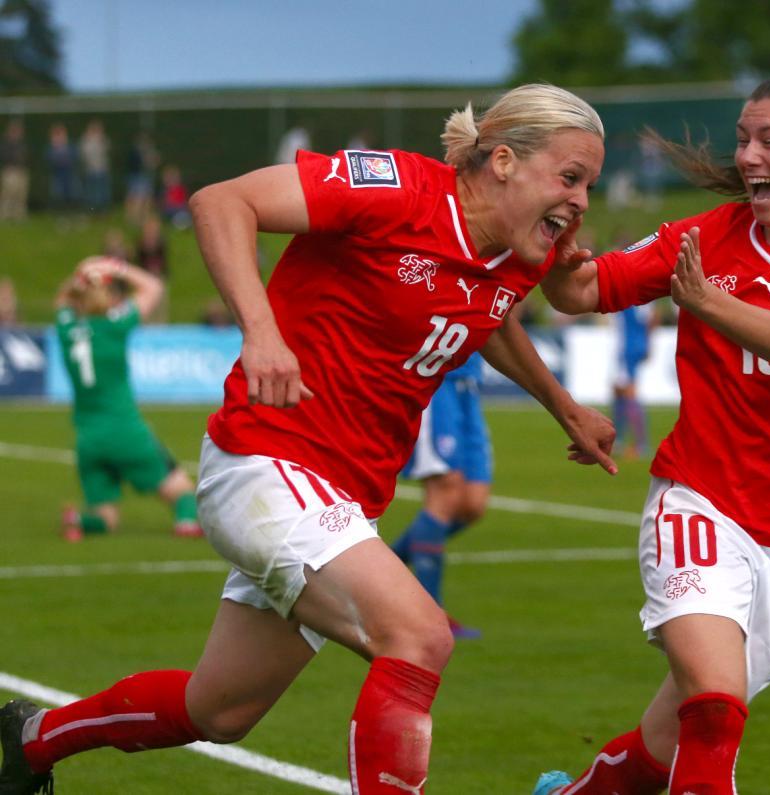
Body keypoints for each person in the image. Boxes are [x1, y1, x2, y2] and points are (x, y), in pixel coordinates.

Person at [0, 83, 613, 795]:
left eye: (590, 185)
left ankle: (33, 739)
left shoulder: (519, 250)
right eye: (571, 178)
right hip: (266, 460)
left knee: (221, 708)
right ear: (503, 160)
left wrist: (564, 405)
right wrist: (261, 332)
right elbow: (221, 202)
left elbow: (490, 311)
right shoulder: (394, 189)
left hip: (346, 494)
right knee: (419, 636)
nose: (582, 201)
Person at [534, 63, 770, 795]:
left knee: (672, 736)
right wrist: (561, 256)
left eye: (769, 139)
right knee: (712, 710)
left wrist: (703, 299)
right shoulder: (704, 235)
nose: (746, 157)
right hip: (701, 497)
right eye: (742, 139)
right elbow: (582, 290)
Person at [49, 256, 201, 543]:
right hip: (124, 430)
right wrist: (113, 267)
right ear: (105, 295)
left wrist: (81, 274)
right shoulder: (114, 325)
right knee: (183, 492)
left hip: (88, 439)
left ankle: (78, 520)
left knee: (106, 519)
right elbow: (154, 287)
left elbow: (63, 299)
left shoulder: (66, 327)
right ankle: (186, 522)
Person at [390, 351, 493, 639]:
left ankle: (377, 567)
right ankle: (430, 615)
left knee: (473, 503)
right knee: (445, 490)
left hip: (469, 381)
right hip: (436, 379)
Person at [612, 302, 656, 458]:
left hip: (628, 347)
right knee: (618, 391)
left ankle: (641, 444)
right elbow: (651, 318)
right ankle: (618, 440)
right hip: (635, 344)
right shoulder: (646, 298)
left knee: (629, 392)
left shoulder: (628, 295)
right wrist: (648, 344)